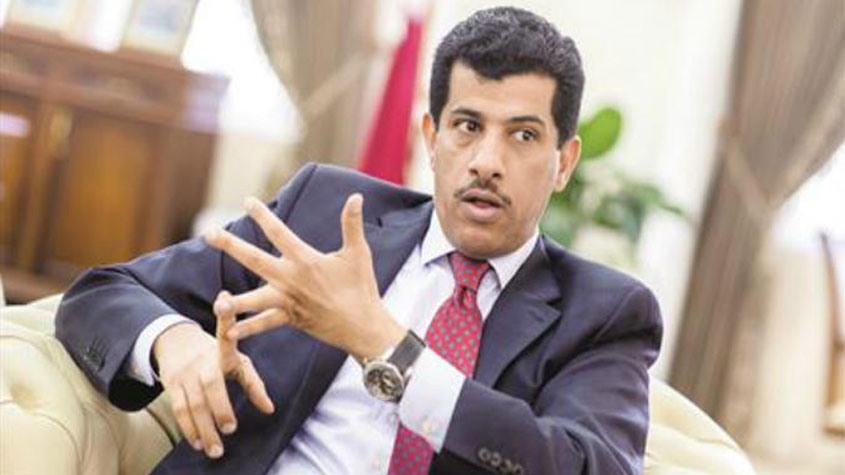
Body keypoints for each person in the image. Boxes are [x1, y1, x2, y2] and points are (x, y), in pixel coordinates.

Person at [56, 6, 662, 475]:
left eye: (523, 136)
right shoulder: (322, 211)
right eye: (467, 125)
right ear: (432, 138)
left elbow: (591, 467)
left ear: (564, 162)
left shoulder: (605, 314)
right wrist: (174, 342)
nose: (486, 162)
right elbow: (101, 293)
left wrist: (383, 344)